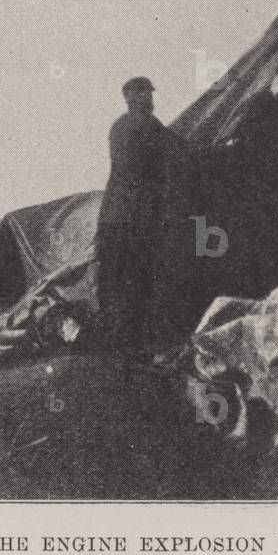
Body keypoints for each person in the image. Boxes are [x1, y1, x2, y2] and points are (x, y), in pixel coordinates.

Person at [96, 76, 174, 359]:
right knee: (138, 275)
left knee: (114, 277)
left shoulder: (118, 126)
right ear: (133, 97)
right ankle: (134, 341)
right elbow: (173, 154)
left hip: (112, 214)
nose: (150, 99)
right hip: (135, 215)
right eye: (145, 94)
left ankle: (114, 339)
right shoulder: (147, 125)